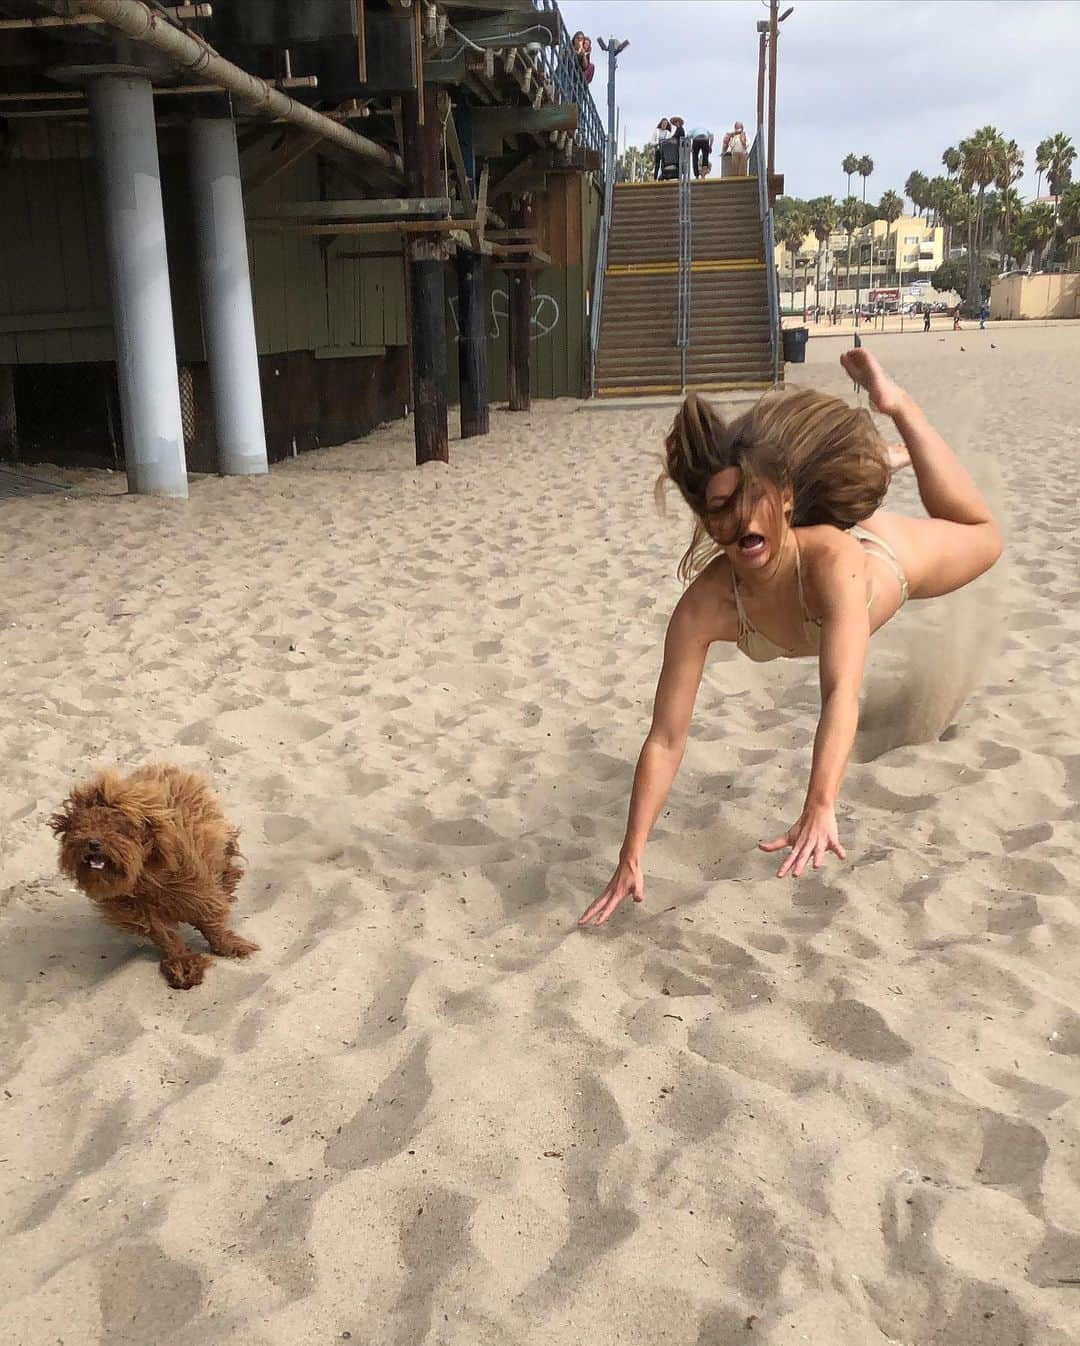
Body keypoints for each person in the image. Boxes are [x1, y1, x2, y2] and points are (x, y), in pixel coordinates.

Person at [579, 348, 1001, 925]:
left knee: (982, 535)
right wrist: (631, 852)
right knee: (830, 500)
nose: (739, 522)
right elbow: (666, 739)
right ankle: (874, 461)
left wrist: (820, 804)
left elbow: (840, 694)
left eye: (752, 503)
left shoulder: (835, 561)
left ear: (780, 498)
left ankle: (897, 411)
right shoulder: (704, 607)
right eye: (720, 512)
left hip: (883, 559)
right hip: (808, 529)